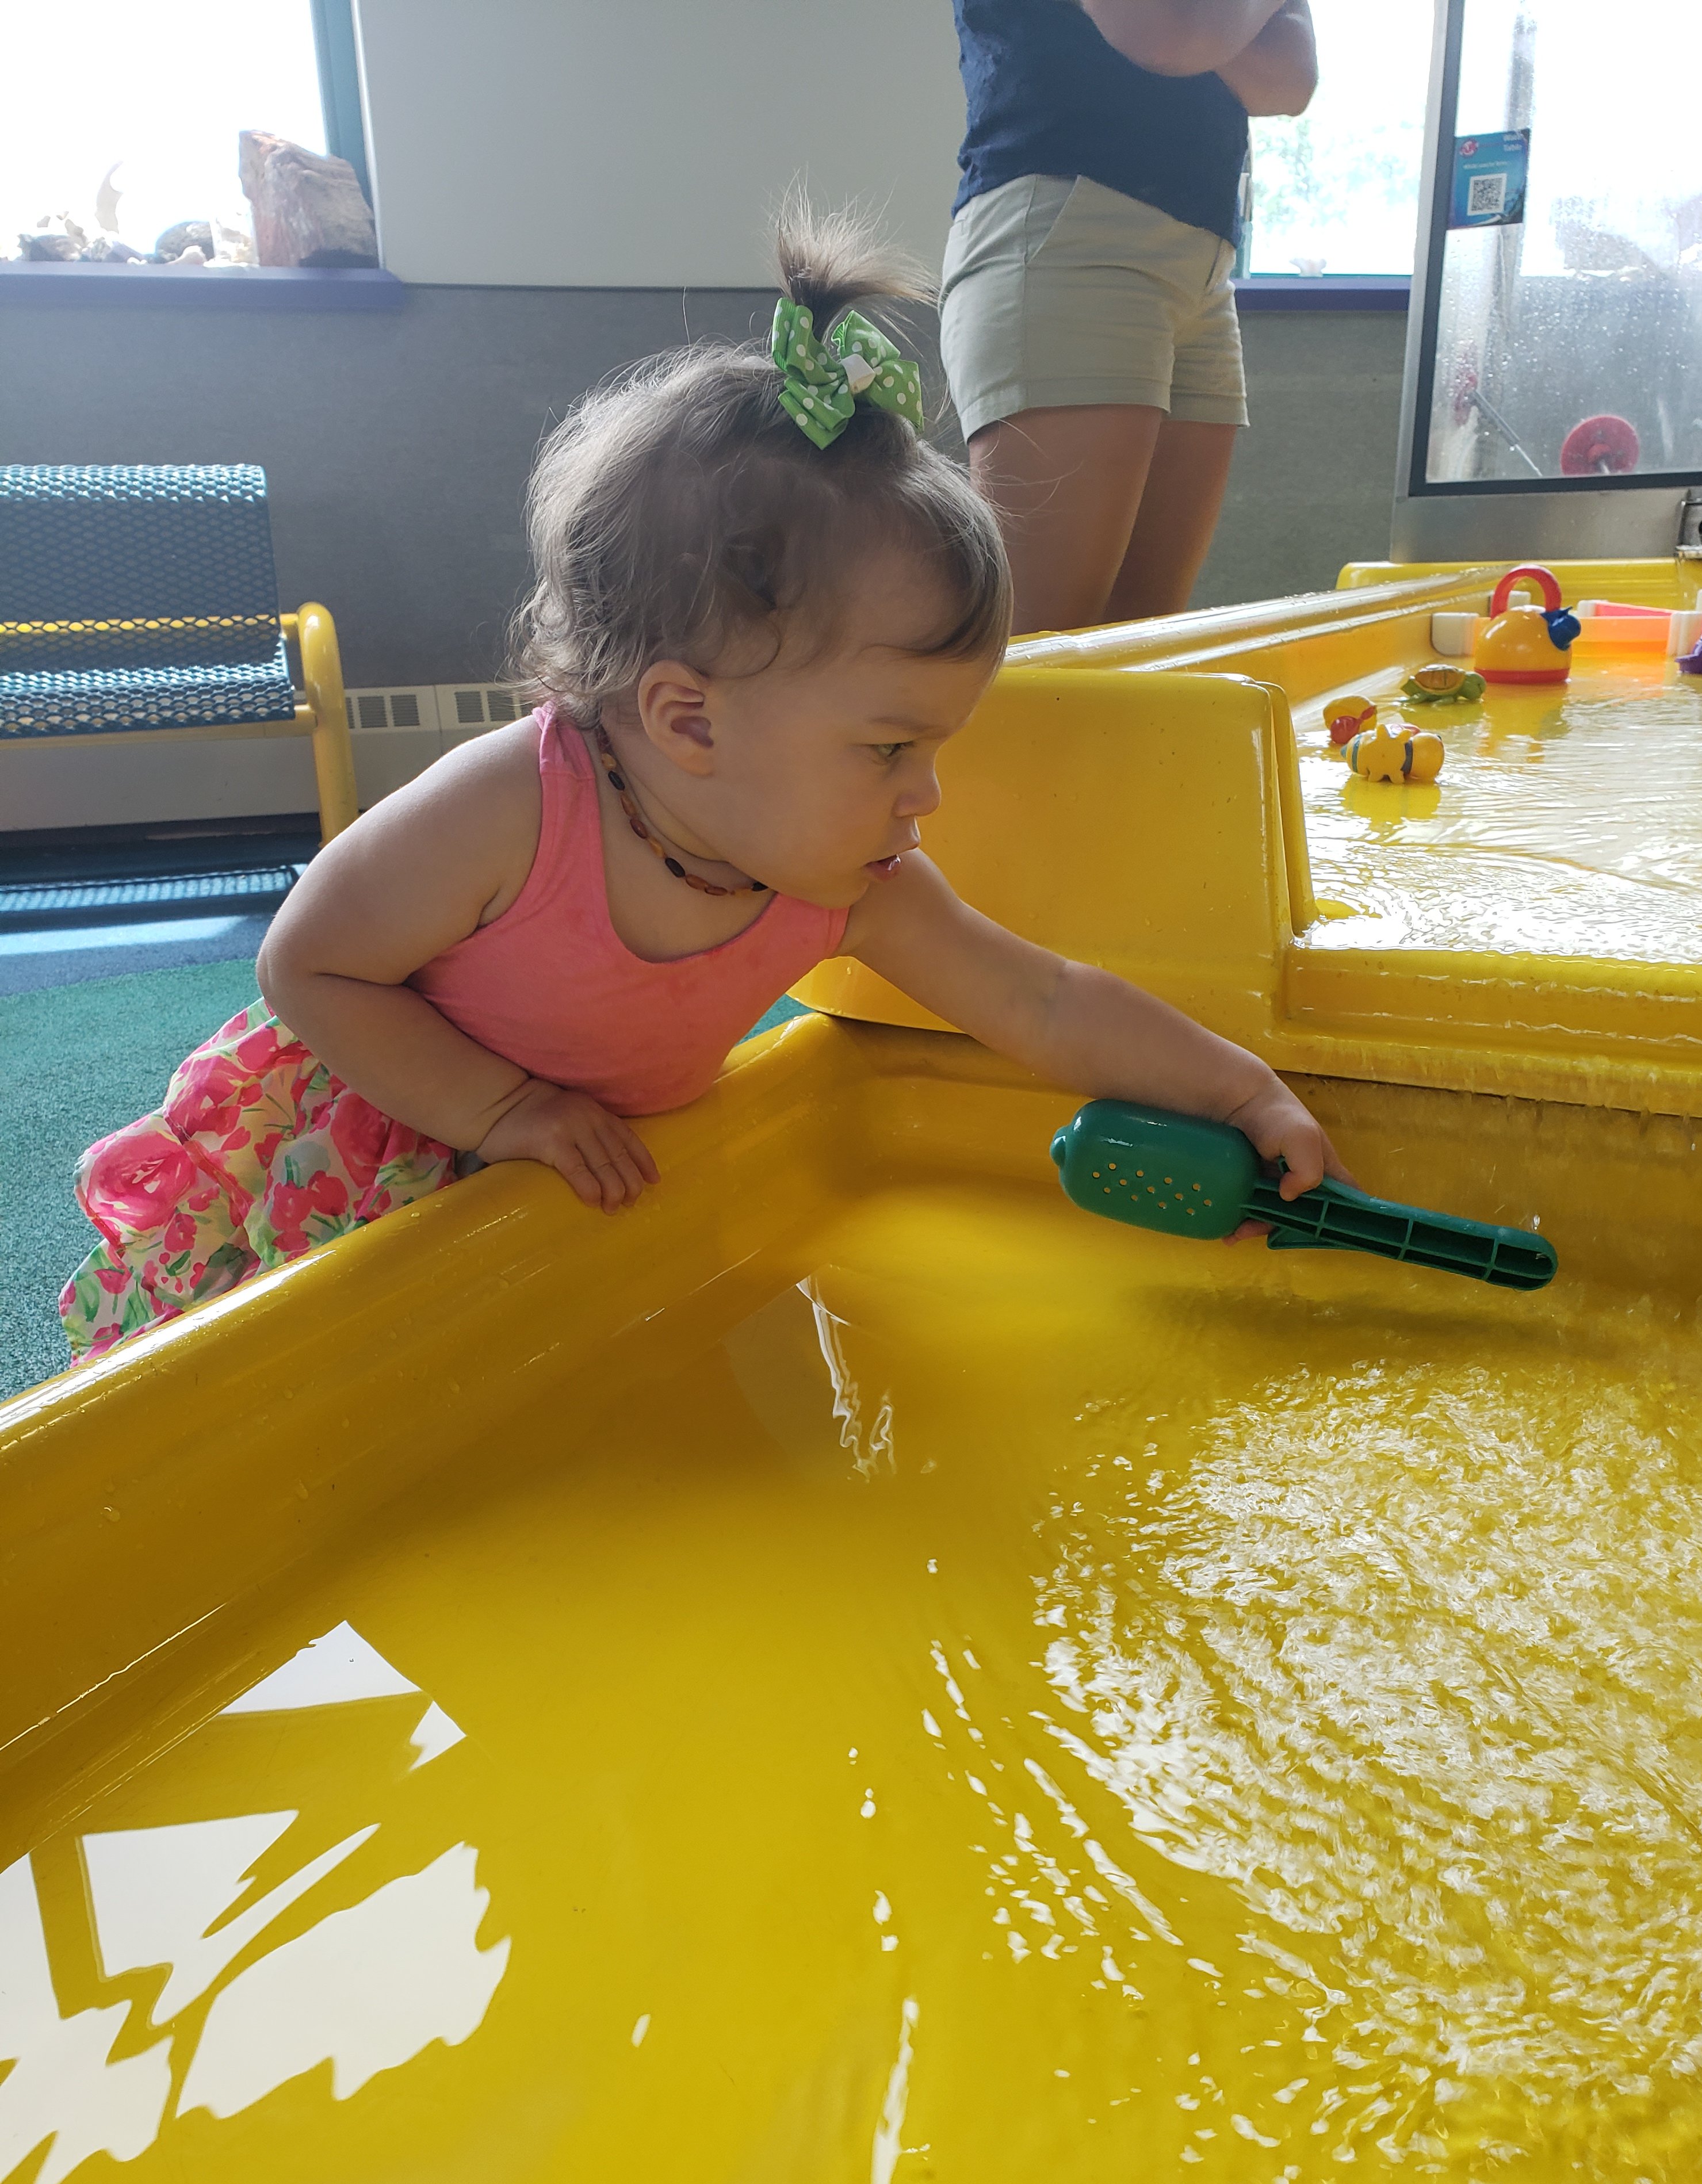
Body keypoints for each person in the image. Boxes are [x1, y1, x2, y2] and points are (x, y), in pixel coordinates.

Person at [58, 208, 1345, 1364]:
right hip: (357, 1152)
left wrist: (1238, 1089)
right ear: (687, 718)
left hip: (557, 1197)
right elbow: (310, 966)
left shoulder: (849, 885)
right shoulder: (517, 807)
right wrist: (502, 1109)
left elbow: (1045, 1000)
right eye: (891, 747)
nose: (927, 797)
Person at [942, 0, 1318, 632]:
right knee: (1038, 654)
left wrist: (1205, 25)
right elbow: (1165, 34)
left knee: (1135, 648)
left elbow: (1291, 80)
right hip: (1074, 225)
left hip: (1199, 261)